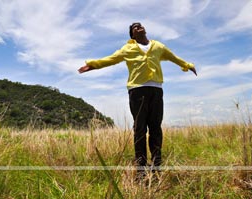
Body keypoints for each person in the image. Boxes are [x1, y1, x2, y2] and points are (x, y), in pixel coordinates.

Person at [78, 22, 197, 179]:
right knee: (140, 128)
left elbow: (173, 57)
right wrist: (92, 65)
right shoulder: (127, 49)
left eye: (140, 25)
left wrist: (188, 65)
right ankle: (141, 169)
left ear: (144, 30)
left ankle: (156, 167)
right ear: (133, 35)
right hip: (137, 90)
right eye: (134, 27)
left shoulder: (158, 46)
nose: (138, 27)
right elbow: (111, 59)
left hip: (156, 90)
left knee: (155, 128)